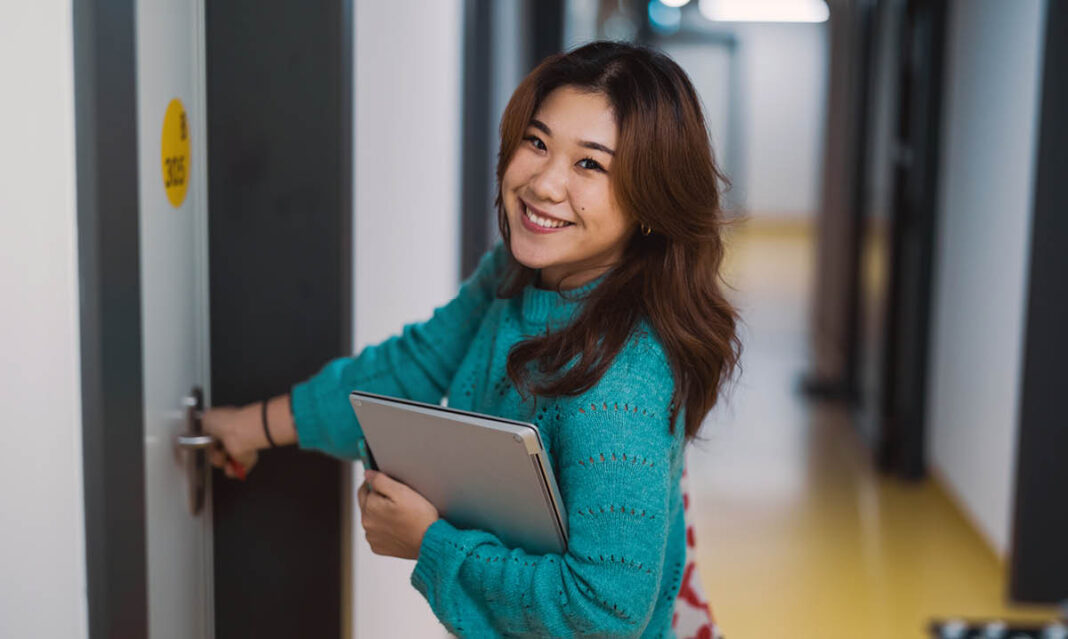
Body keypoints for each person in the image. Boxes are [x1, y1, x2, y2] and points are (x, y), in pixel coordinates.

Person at [204, 40, 740, 638]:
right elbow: (410, 367)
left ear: (651, 201)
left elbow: (602, 613)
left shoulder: (622, 379)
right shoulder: (513, 276)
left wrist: (429, 542)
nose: (544, 184)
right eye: (537, 142)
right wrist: (251, 427)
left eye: (590, 165)